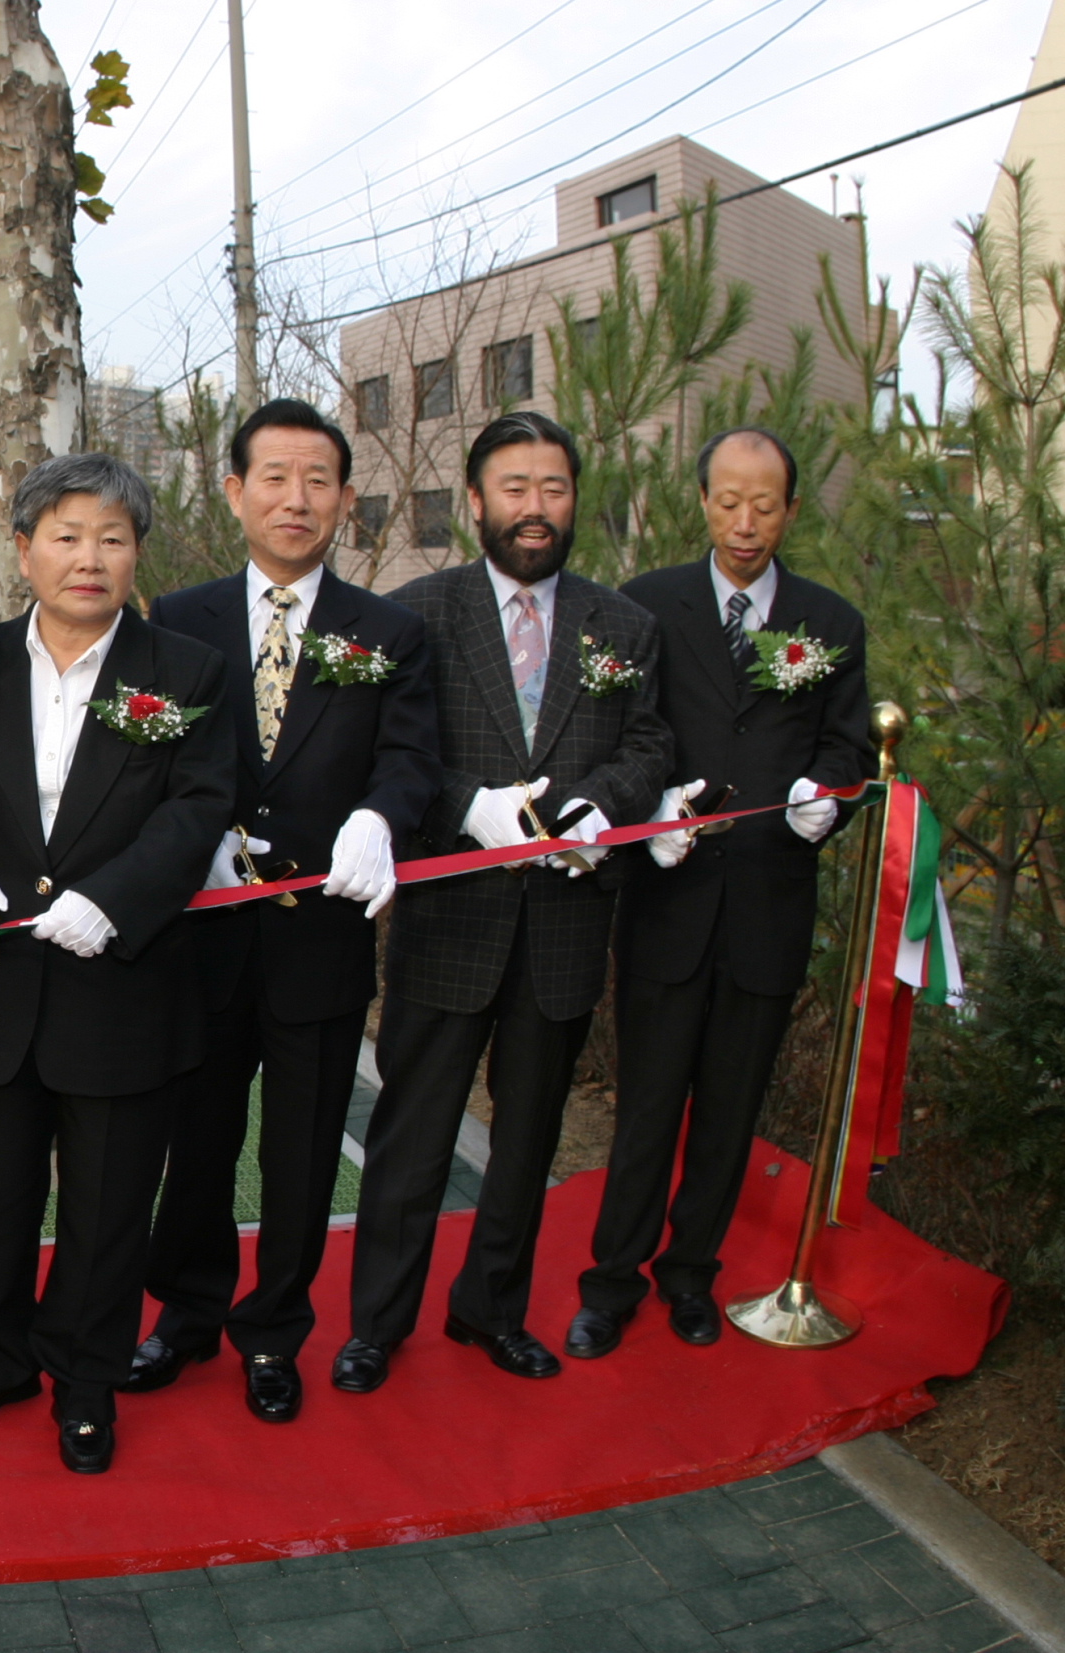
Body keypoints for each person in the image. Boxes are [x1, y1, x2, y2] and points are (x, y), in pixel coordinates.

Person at [338, 412, 670, 1391]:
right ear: (476, 501)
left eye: (553, 489)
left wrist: (601, 803)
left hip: (563, 926)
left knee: (526, 1137)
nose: (535, 508)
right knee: (411, 1136)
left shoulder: (622, 626)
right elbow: (387, 751)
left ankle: (491, 1308)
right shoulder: (414, 615)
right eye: (515, 489)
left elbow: (648, 743)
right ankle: (375, 1324)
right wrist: (462, 806)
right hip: (450, 922)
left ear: (574, 502)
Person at [130, 400, 441, 1423]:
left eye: (316, 480)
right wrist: (192, 841)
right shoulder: (177, 618)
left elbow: (410, 759)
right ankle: (185, 1314)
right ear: (234, 492)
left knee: (302, 1152)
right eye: (273, 476)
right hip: (203, 934)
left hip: (320, 937)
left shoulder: (388, 632)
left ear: (345, 500)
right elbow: (153, 754)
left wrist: (379, 819)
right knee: (197, 1140)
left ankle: (273, 1331)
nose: (294, 499)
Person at [0, 453, 235, 1474]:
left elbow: (198, 807)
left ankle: (87, 1383)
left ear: (137, 552)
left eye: (111, 537)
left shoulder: (185, 670)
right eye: (65, 536)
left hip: (125, 983)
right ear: (23, 551)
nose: (88, 558)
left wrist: (116, 900)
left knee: (106, 1209)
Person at [568, 428, 870, 1359]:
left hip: (769, 901)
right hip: (670, 897)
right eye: (729, 502)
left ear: (791, 510)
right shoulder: (646, 604)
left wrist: (829, 799)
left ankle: (691, 1274)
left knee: (732, 1109)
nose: (745, 523)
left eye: (764, 506)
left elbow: (848, 746)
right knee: (647, 1105)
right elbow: (617, 730)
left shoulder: (830, 621)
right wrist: (647, 808)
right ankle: (611, 1281)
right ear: (702, 500)